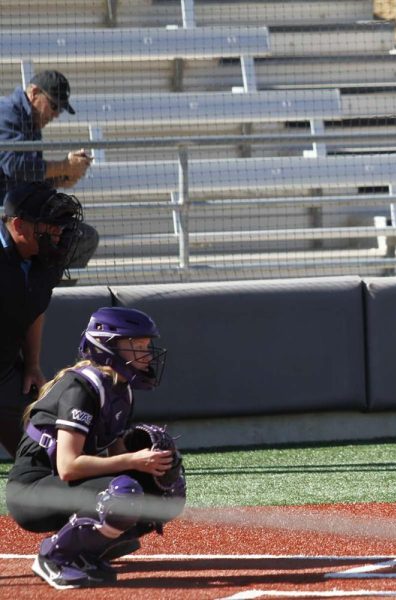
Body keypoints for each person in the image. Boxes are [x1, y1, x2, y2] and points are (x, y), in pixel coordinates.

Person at [4, 306, 186, 589]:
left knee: (164, 488)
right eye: (137, 345)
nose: (147, 354)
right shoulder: (81, 387)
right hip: (32, 493)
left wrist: (152, 466)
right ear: (107, 346)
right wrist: (134, 461)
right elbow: (68, 466)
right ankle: (54, 557)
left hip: (65, 486)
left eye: (147, 345)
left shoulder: (119, 388)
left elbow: (116, 455)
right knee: (122, 493)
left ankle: (91, 547)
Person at [1, 181, 84, 456]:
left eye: (61, 224)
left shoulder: (43, 261)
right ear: (18, 225)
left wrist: (33, 365)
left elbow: (34, 310)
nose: (58, 232)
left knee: (41, 458)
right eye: (49, 224)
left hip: (6, 372)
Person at [0, 70, 98, 271]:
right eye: (54, 106)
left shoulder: (29, 122)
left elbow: (25, 180)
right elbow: (16, 165)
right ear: (34, 93)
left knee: (77, 237)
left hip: (16, 215)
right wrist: (64, 166)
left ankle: (43, 291)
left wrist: (60, 179)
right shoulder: (8, 113)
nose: (55, 114)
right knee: (75, 238)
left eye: (60, 110)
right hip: (8, 219)